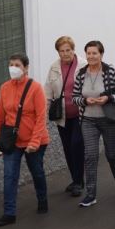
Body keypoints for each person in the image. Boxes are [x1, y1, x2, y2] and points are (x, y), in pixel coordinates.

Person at [0, 53, 49, 227]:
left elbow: (41, 117)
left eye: (17, 65)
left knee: (37, 172)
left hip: (34, 141)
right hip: (12, 141)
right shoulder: (4, 88)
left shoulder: (36, 88)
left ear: (26, 68)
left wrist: (34, 142)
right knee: (10, 175)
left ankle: (42, 200)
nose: (13, 68)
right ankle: (9, 213)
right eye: (11, 64)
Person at [72, 41, 115, 207]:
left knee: (111, 155)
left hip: (109, 119)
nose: (91, 56)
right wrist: (84, 100)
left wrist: (108, 98)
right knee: (90, 155)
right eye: (88, 53)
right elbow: (74, 96)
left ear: (101, 55)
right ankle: (90, 194)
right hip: (88, 120)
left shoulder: (110, 71)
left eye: (94, 53)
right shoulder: (81, 73)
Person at [44, 36, 87, 197]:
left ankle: (78, 182)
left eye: (68, 50)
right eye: (62, 51)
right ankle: (76, 179)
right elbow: (48, 91)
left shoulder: (83, 65)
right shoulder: (54, 67)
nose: (65, 54)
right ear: (58, 52)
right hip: (62, 116)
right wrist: (43, 115)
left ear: (73, 50)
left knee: (77, 144)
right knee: (68, 147)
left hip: (81, 114)